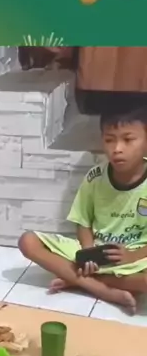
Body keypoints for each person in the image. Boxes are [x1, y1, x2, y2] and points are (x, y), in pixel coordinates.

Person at [18, 106, 147, 313]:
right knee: (28, 241)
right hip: (97, 251)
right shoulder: (95, 177)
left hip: (137, 256)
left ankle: (79, 279)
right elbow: (83, 222)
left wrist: (132, 256)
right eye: (109, 140)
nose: (117, 148)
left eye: (128, 140)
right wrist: (88, 253)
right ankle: (103, 289)